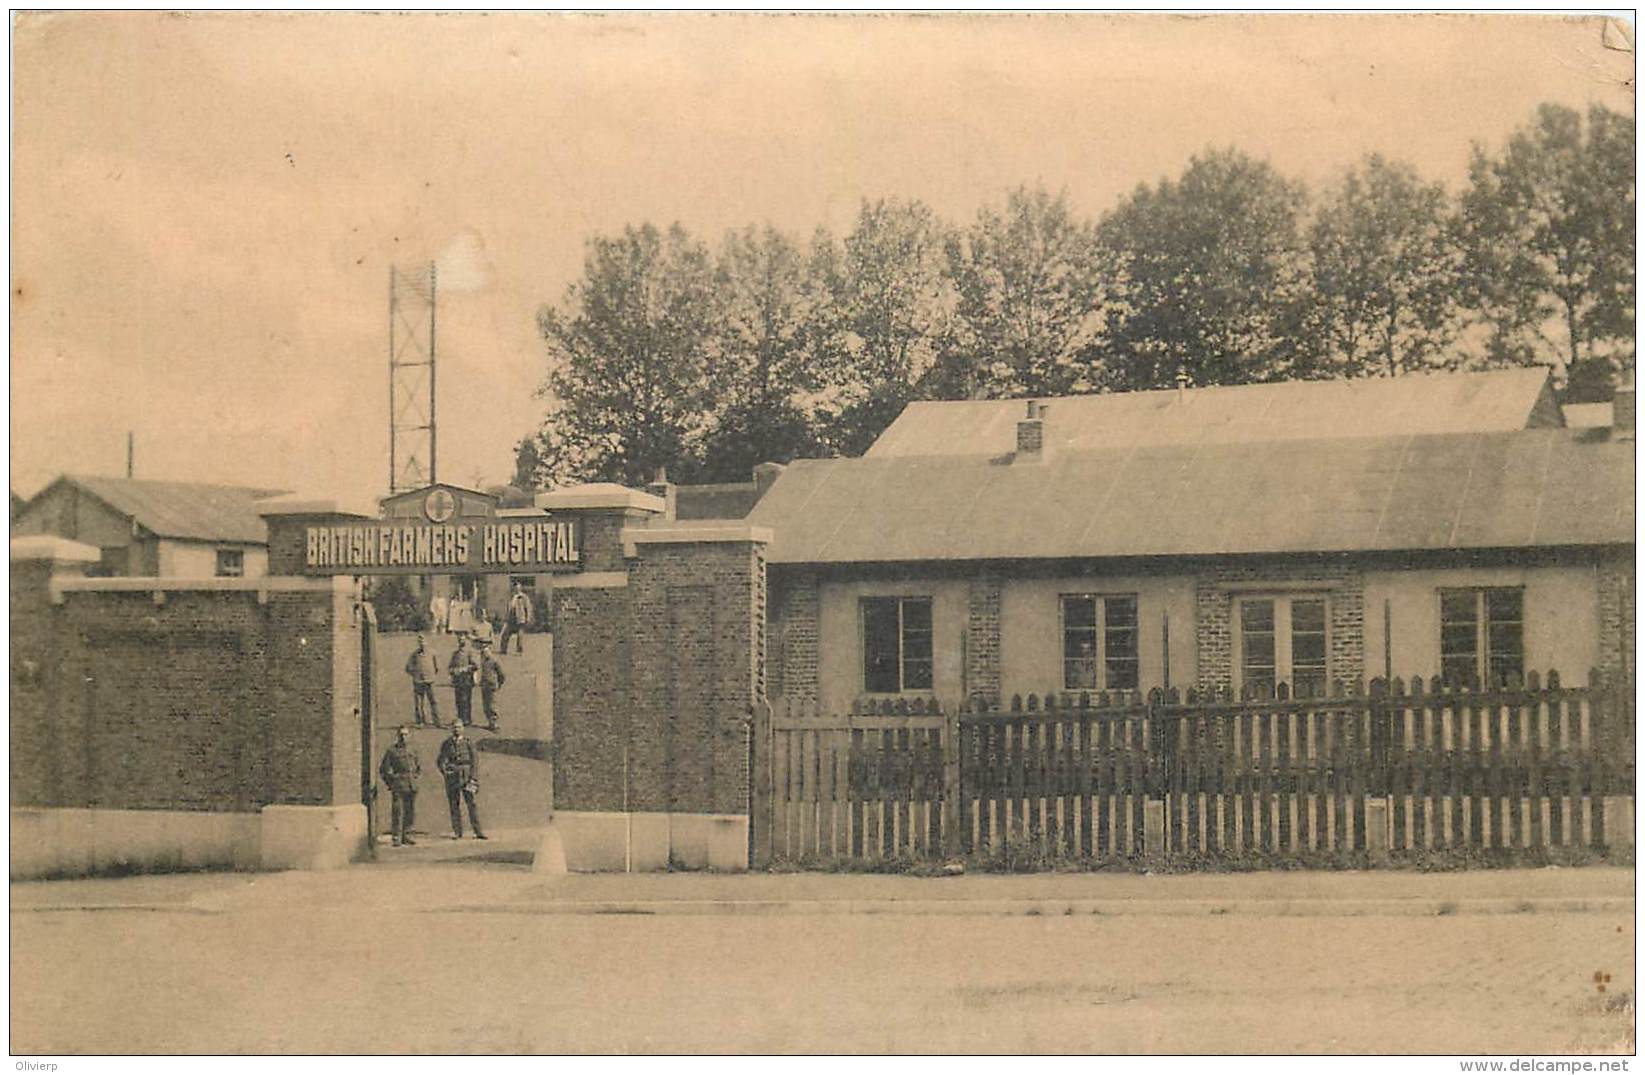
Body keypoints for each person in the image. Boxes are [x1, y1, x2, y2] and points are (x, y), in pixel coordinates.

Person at [436, 722, 485, 840]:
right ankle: (458, 832)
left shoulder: (468, 743)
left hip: (467, 775)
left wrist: (473, 778)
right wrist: (445, 771)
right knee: (454, 804)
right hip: (453, 777)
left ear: (463, 729)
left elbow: (474, 761)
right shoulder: (447, 744)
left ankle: (478, 831)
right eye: (454, 727)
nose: (457, 730)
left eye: (459, 727)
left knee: (471, 804)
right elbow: (441, 760)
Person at [378, 726, 421, 847]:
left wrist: (415, 777)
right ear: (398, 736)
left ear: (409, 736)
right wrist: (392, 782)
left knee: (410, 811)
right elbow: (384, 769)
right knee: (398, 811)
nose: (404, 737)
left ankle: (406, 834)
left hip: (411, 784)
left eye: (406, 734)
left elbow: (418, 766)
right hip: (398, 785)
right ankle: (396, 836)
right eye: (401, 734)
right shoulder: (392, 751)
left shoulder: (413, 749)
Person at [404, 634, 441, 727]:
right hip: (418, 682)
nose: (422, 644)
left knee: (434, 701)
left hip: (430, 681)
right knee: (419, 702)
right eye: (420, 642)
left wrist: (431, 675)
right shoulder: (414, 654)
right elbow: (408, 668)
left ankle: (437, 721)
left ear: (427, 642)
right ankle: (420, 721)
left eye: (423, 642)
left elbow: (437, 667)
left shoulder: (432, 653)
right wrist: (415, 674)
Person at [476, 638, 506, 732]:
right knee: (485, 705)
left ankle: (494, 725)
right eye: (483, 652)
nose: (485, 653)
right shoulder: (482, 660)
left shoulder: (494, 661)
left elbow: (502, 674)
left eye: (486, 651)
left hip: (492, 685)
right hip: (484, 685)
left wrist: (499, 684)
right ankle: (490, 722)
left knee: (492, 705)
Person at [447, 635, 478, 727]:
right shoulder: (455, 654)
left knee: (466, 701)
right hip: (457, 682)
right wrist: (453, 671)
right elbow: (450, 667)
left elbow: (475, 666)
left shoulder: (469, 653)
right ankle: (460, 718)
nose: (461, 642)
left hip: (467, 681)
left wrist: (465, 669)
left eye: (463, 640)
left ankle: (467, 719)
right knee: (458, 701)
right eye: (460, 640)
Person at [499, 583, 532, 654]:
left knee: (520, 636)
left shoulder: (524, 597)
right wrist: (505, 617)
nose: (516, 589)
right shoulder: (511, 596)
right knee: (505, 634)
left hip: (520, 618)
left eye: (518, 588)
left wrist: (528, 618)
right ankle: (503, 650)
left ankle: (519, 651)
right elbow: (508, 608)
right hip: (511, 619)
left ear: (520, 588)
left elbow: (528, 608)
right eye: (515, 588)